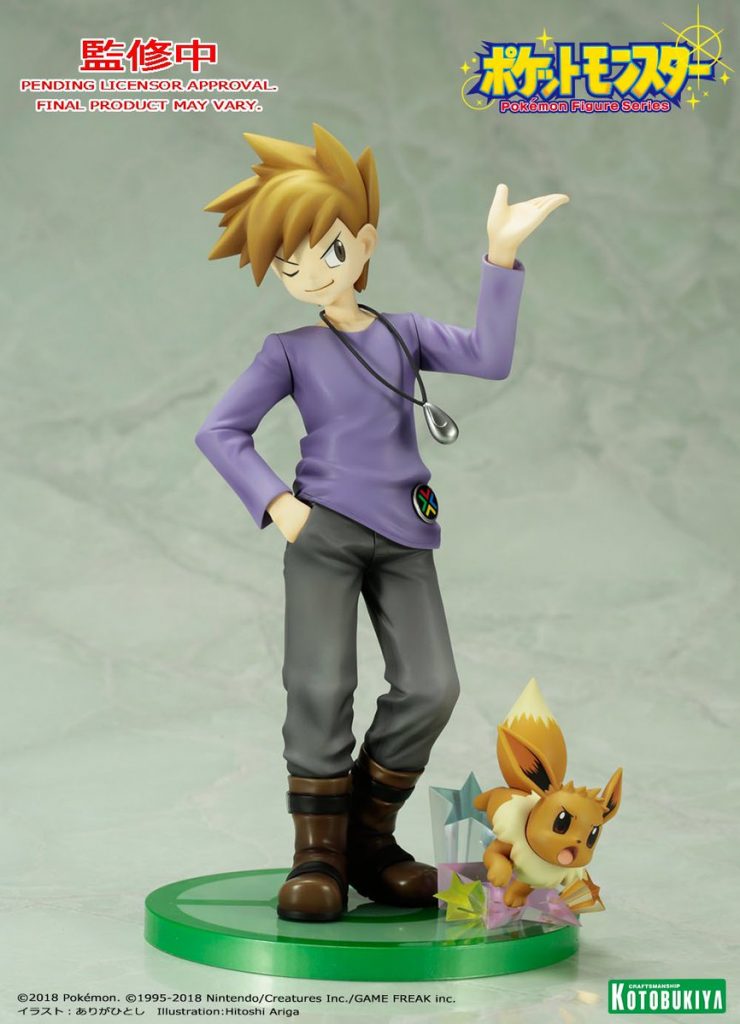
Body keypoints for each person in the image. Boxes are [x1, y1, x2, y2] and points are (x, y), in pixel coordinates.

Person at [196, 123, 568, 922]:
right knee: (319, 683)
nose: (309, 272)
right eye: (287, 261)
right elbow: (220, 431)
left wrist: (500, 257)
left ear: (363, 243)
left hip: (404, 531)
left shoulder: (404, 334)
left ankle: (366, 837)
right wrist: (279, 503)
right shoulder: (288, 350)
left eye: (326, 250)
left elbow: (490, 356)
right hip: (323, 531)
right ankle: (317, 853)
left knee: (432, 685)